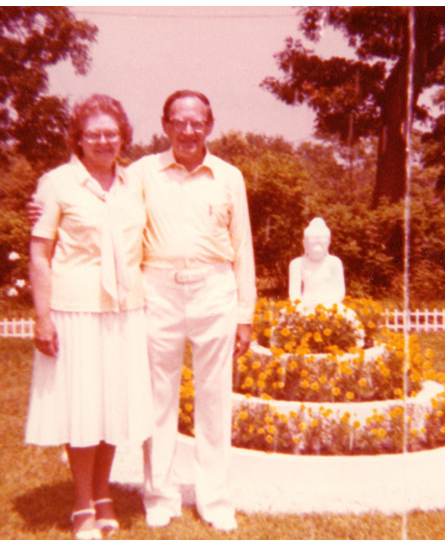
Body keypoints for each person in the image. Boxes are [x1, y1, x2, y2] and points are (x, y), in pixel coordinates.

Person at [25, 94, 153, 540]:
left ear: (123, 138)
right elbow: (39, 255)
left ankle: (104, 496)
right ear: (78, 138)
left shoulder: (134, 182)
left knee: (112, 406)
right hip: (75, 310)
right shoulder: (56, 184)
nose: (103, 141)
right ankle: (82, 503)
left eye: (111, 134)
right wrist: (43, 318)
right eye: (94, 133)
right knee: (82, 408)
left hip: (125, 310)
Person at [129, 90, 256, 532]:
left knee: (215, 398)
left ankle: (215, 499)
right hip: (157, 290)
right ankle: (159, 495)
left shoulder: (228, 176)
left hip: (214, 289)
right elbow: (105, 209)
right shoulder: (141, 173)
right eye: (179, 122)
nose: (188, 130)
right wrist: (47, 206)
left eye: (196, 122)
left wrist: (245, 313)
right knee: (158, 399)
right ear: (165, 125)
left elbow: (243, 246)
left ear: (209, 125)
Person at [289, 217, 345, 309]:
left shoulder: (335, 262)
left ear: (328, 243)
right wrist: (301, 305)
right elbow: (294, 294)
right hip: (305, 305)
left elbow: (339, 292)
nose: (317, 248)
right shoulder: (297, 264)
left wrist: (326, 304)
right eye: (312, 243)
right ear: (304, 243)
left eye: (322, 244)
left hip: (329, 305)